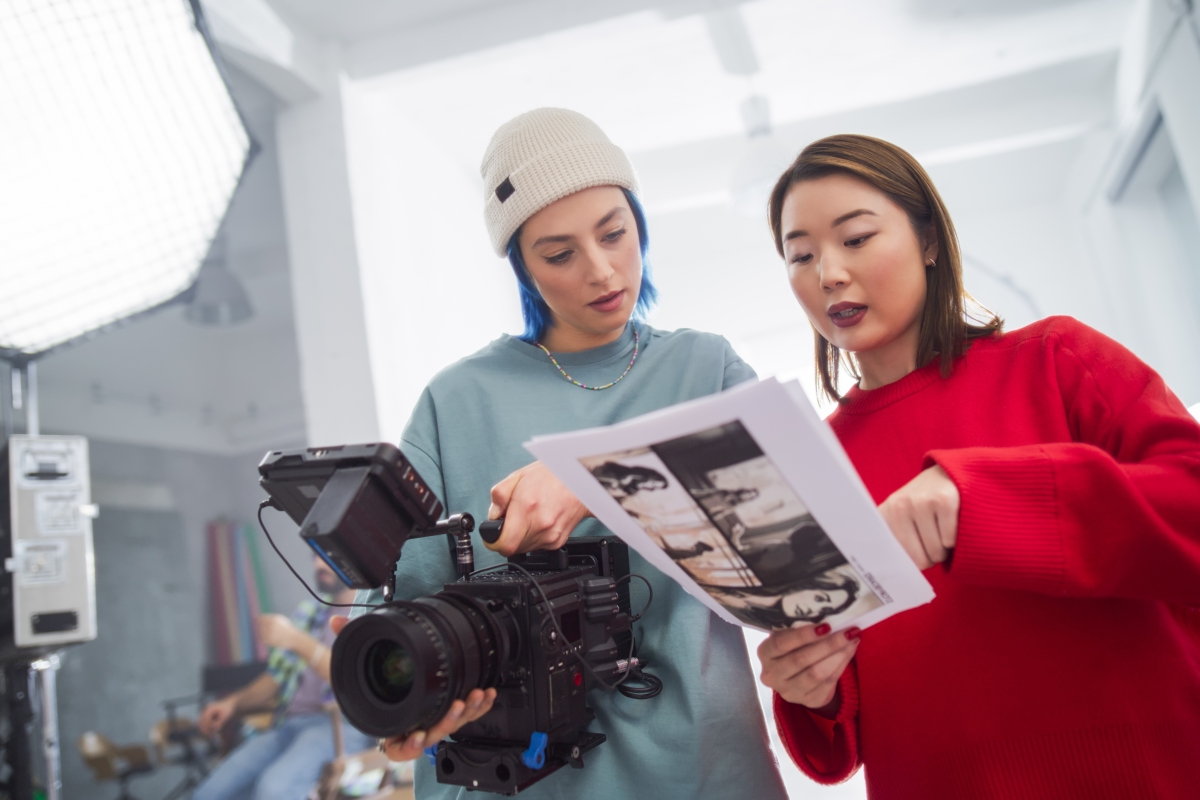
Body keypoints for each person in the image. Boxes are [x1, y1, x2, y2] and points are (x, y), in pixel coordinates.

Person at [339, 108, 787, 800]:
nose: (602, 270)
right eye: (559, 254)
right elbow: (401, 603)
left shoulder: (706, 368)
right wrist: (410, 700)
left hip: (699, 772)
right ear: (520, 262)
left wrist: (596, 481)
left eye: (615, 233)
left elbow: (789, 538)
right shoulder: (456, 401)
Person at [756, 134, 1200, 798]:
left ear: (929, 240)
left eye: (855, 239)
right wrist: (810, 685)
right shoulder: (807, 467)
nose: (828, 274)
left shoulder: (1058, 359)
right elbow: (846, 722)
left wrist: (981, 503)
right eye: (801, 255)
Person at [194, 556, 372, 800]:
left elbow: (355, 683)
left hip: (339, 727)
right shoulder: (311, 613)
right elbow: (277, 677)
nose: (319, 565)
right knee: (211, 792)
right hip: (287, 724)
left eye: (329, 557)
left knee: (274, 790)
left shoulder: (373, 616)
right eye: (315, 557)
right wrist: (232, 703)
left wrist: (296, 639)